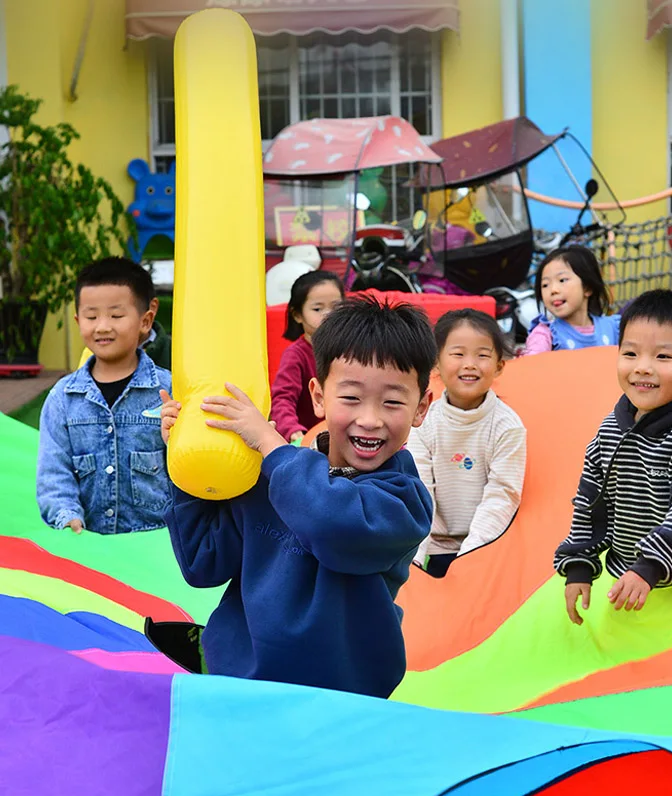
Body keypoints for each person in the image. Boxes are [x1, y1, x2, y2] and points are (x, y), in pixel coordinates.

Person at [159, 297, 436, 698]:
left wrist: (272, 447)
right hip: (238, 684)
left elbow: (331, 523)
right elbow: (203, 563)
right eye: (351, 398)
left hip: (339, 700)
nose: (371, 419)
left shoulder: (402, 502)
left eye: (392, 402)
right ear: (319, 396)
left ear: (421, 407)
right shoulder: (277, 474)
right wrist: (187, 466)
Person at [555, 289, 672, 624]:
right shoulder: (612, 427)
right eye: (630, 353)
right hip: (630, 575)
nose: (643, 368)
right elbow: (591, 500)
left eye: (663, 357)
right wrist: (580, 565)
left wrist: (651, 566)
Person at [37, 256, 171, 534]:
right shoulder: (63, 399)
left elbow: (186, 473)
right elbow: (54, 475)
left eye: (116, 315)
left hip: (158, 553)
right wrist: (67, 516)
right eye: (91, 316)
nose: (102, 326)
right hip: (89, 554)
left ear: (146, 320)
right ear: (78, 320)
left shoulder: (168, 391)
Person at [407, 309, 526, 578]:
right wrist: (412, 558)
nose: (470, 364)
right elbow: (419, 490)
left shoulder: (507, 426)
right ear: (436, 363)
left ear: (499, 366)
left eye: (482, 355)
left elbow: (502, 495)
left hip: (486, 547)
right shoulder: (424, 421)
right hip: (433, 548)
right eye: (458, 354)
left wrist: (469, 557)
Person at [270, 270, 344, 442]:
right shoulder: (295, 355)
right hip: (310, 441)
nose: (328, 315)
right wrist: (293, 431)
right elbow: (283, 398)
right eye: (318, 308)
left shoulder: (352, 350)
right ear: (297, 315)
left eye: (337, 307)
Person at [523, 245, 620, 356]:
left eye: (562, 280)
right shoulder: (545, 335)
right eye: (545, 285)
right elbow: (532, 367)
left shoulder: (614, 328)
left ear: (587, 287)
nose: (553, 290)